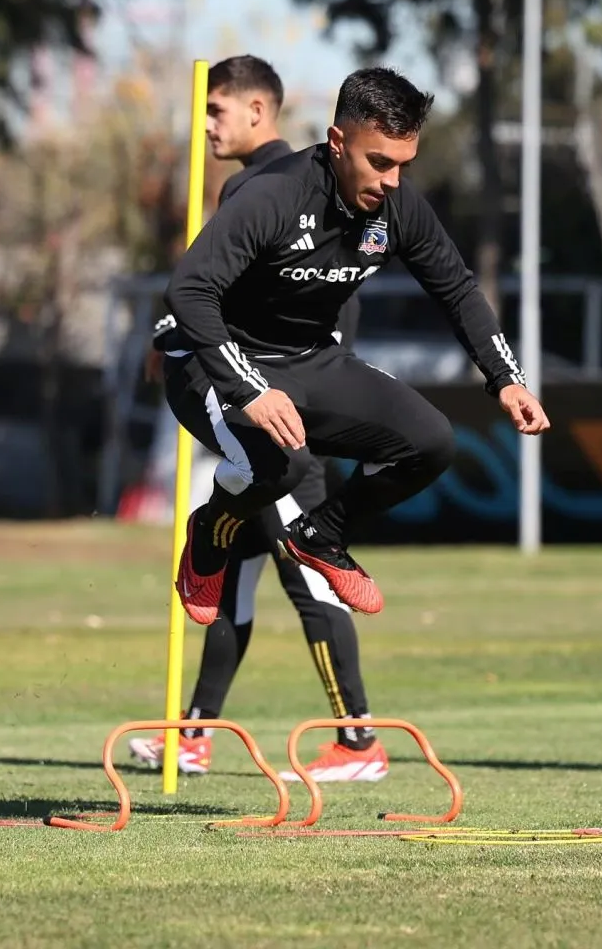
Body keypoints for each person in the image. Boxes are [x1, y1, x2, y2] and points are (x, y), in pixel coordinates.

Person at [162, 62, 548, 628]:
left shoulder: (398, 206)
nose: (392, 181)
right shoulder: (273, 195)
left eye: (404, 165)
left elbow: (457, 288)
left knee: (432, 442)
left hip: (310, 359)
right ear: (338, 141)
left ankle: (323, 534)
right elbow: (189, 289)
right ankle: (210, 529)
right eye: (380, 162)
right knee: (282, 465)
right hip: (212, 363)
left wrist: (505, 376)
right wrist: (250, 391)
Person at [130, 57, 384, 783]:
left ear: (257, 111)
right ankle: (196, 733)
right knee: (230, 579)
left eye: (217, 110)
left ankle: (360, 742)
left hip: (281, 424)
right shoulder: (272, 183)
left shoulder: (270, 184)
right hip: (260, 412)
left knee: (312, 579)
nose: (205, 124)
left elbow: (310, 303)